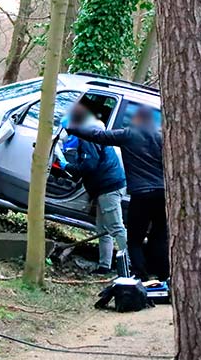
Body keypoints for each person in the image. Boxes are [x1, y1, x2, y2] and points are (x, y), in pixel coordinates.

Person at [67, 105, 168, 281]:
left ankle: (140, 276)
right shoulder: (162, 138)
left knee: (135, 240)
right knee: (159, 237)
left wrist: (73, 128)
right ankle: (162, 276)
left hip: (141, 194)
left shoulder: (129, 134)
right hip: (162, 195)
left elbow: (99, 136)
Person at [57, 102, 127, 274]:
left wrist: (67, 166)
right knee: (103, 229)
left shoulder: (87, 139)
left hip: (108, 188)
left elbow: (89, 165)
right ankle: (104, 266)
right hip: (108, 186)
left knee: (116, 227)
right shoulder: (91, 134)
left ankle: (132, 265)